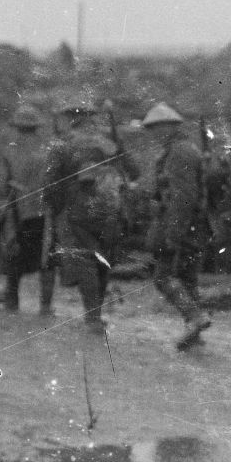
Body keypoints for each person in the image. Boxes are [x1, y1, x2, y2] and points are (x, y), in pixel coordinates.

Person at [44, 97, 132, 333]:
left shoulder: (63, 144)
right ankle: (96, 315)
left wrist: (54, 205)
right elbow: (132, 170)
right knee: (103, 260)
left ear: (70, 118)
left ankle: (92, 318)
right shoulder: (109, 141)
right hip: (111, 206)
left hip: (79, 207)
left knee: (85, 260)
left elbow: (51, 182)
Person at [145, 102, 215, 349]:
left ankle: (195, 318)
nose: (153, 133)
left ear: (168, 127)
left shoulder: (179, 152)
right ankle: (194, 332)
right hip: (193, 225)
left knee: (163, 277)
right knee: (187, 279)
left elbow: (183, 197)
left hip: (182, 225)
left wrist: (173, 233)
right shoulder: (181, 149)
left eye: (156, 128)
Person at [0, 104, 57, 314]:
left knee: (13, 252)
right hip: (46, 210)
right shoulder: (49, 149)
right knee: (47, 257)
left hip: (19, 209)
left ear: (17, 126)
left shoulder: (9, 149)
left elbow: (1, 184)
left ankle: (12, 302)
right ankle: (45, 306)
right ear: (36, 126)